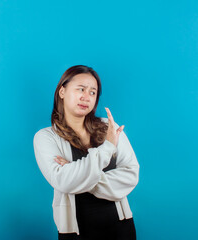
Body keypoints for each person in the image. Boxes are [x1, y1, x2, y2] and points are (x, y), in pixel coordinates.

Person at [33, 65, 140, 240]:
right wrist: (107, 147)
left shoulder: (108, 128)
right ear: (62, 91)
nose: (86, 97)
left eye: (92, 92)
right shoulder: (45, 137)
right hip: (76, 233)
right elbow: (63, 181)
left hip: (121, 228)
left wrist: (78, 174)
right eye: (81, 89)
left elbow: (131, 174)